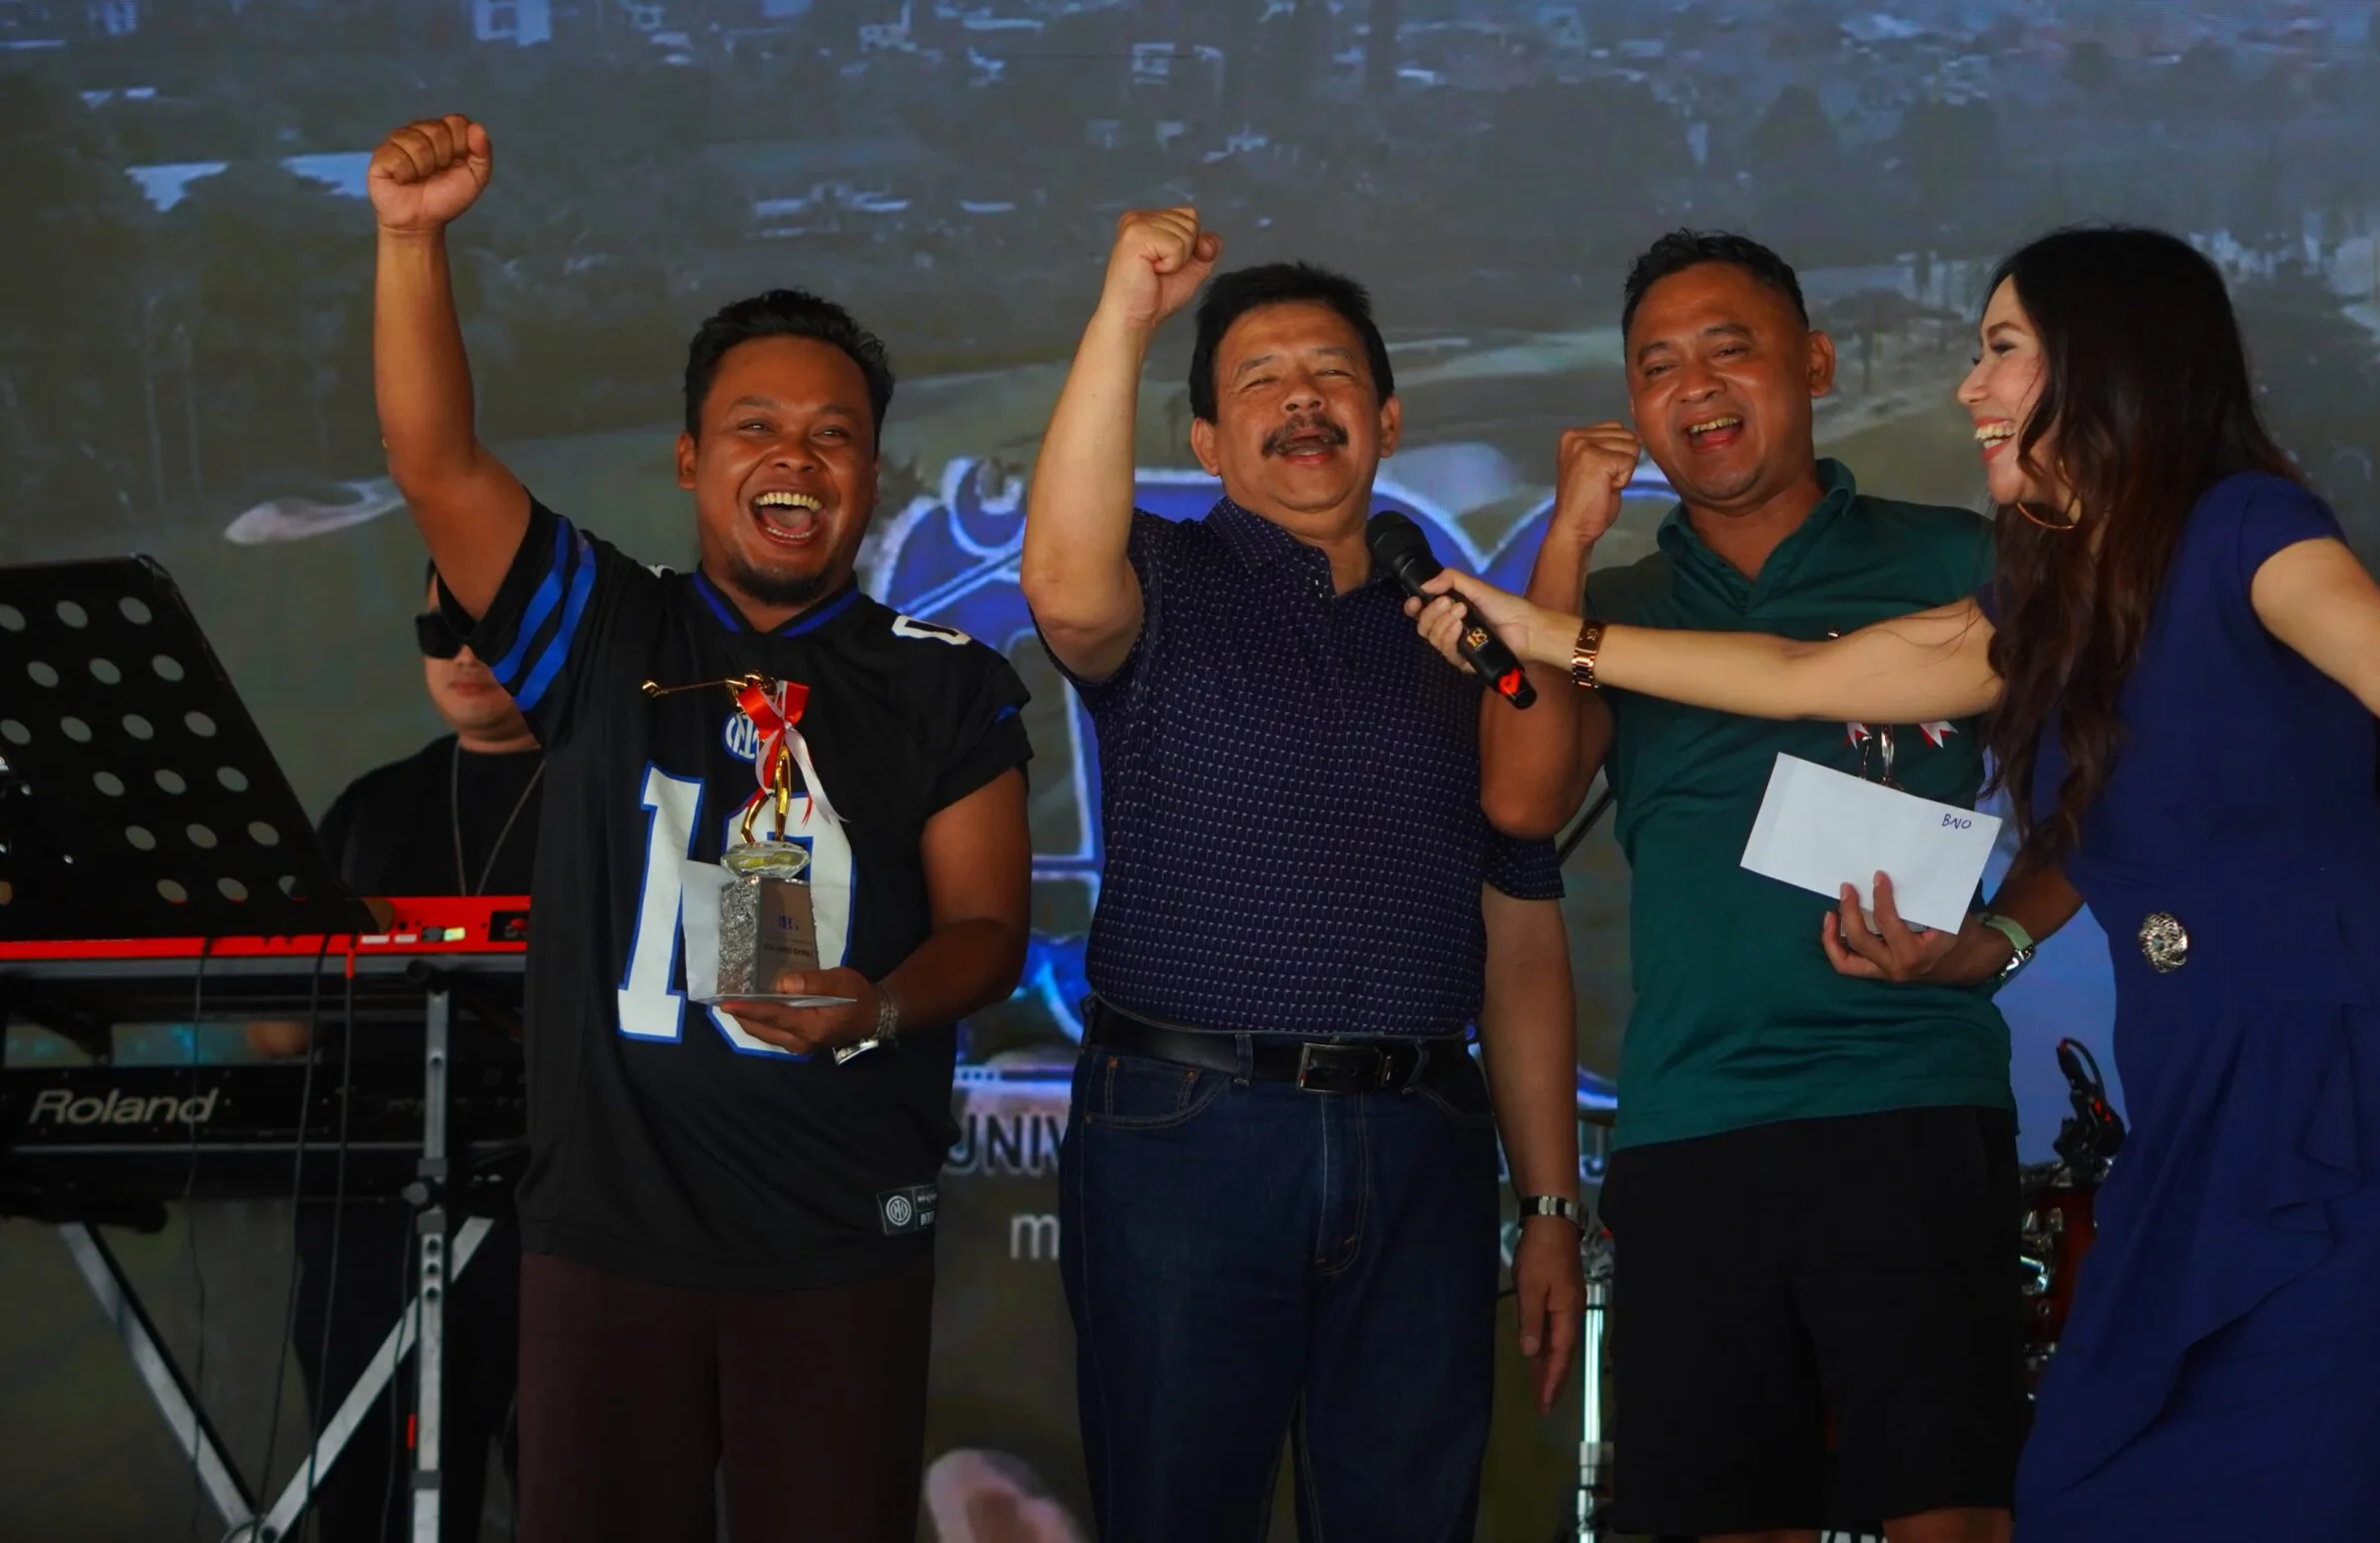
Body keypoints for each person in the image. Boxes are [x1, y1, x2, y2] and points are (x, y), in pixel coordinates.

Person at [1415, 225, 2380, 1540]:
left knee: (2281, 1487)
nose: (1970, 387)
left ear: (2105, 363)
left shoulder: (2243, 526)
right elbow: (1801, 677)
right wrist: (1541, 624)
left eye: (2002, 351)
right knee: (2079, 1484)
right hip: (2189, 1094)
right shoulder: (2049, 603)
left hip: (2333, 1073)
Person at [366, 112, 1037, 1543]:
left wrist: (876, 1006)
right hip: (614, 1239)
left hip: (840, 1235)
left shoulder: (946, 679)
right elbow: (436, 463)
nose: (796, 459)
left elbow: (987, 925)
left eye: (833, 435)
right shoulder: (603, 630)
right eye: (756, 427)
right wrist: (413, 240)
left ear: (872, 475)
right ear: (687, 459)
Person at [1466, 229, 2049, 1543]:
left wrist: (1999, 938)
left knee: (1953, 1514)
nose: (1697, 384)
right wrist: (1561, 545)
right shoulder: (1620, 600)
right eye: (1658, 364)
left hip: (1909, 1104)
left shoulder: (1957, 559)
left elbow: (2105, 805)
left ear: (1816, 362)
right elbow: (1519, 801)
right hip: (1694, 1126)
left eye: (1731, 346)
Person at [1020, 208, 1585, 1543]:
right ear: (1207, 444)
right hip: (1188, 1130)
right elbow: (1060, 581)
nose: (1301, 401)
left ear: (1384, 413)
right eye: (1258, 382)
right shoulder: (1160, 578)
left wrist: (1551, 1200)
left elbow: (1521, 918)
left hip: (1419, 1138)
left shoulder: (1461, 631)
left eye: (1329, 373)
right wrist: (1125, 313)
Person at [246, 562, 537, 1543]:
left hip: (560, 1216)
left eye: (488, 627)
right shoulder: (369, 808)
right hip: (365, 1218)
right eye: (438, 627)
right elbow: (281, 1033)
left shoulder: (617, 800)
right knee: (367, 1506)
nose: (461, 653)